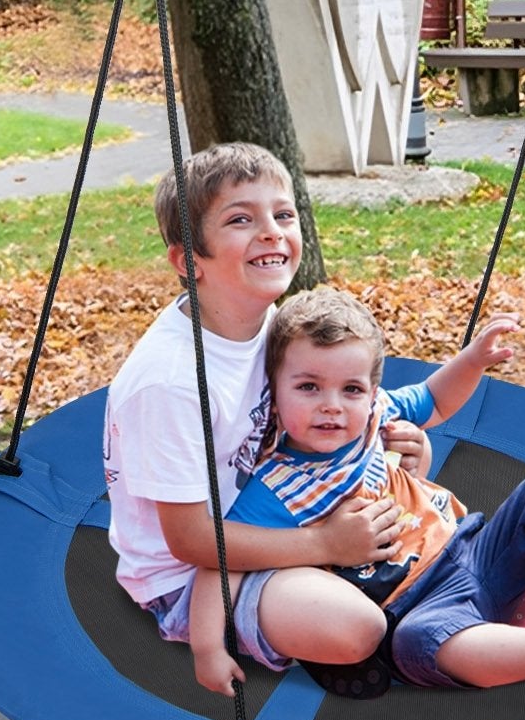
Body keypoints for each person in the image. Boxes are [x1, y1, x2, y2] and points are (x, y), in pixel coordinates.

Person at [189, 285, 525, 696]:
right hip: (418, 607)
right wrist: (207, 649)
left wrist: (472, 360)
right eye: (308, 387)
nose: (332, 405)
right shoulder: (276, 485)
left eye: (350, 389)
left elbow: (434, 400)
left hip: (476, 548)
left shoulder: (375, 416)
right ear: (273, 395)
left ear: (371, 392)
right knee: (422, 646)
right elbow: (220, 562)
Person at [103, 143, 431, 677]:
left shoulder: (265, 319)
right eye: (241, 220)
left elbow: (319, 413)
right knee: (357, 628)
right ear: (190, 262)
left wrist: (390, 446)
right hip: (191, 578)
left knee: (433, 533)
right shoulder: (170, 383)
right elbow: (192, 542)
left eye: (282, 215)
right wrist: (324, 543)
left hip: (280, 510)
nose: (272, 232)